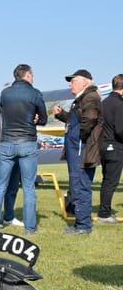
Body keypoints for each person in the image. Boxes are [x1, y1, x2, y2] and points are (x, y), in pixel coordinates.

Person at [0, 64, 47, 234]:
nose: (33, 78)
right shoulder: (35, 93)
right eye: (32, 75)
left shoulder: (5, 94)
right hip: (27, 142)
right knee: (28, 188)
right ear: (27, 75)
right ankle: (30, 228)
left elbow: (5, 113)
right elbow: (43, 119)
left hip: (6, 143)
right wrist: (35, 119)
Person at [53, 69, 104, 235]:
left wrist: (79, 137)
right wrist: (61, 115)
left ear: (85, 82)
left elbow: (89, 119)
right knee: (77, 185)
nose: (70, 84)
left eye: (73, 81)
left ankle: (83, 226)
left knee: (81, 186)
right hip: (76, 149)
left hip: (82, 149)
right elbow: (76, 120)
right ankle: (80, 223)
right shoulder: (82, 98)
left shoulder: (90, 97)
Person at [97, 74, 123, 223]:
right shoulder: (119, 104)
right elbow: (120, 130)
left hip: (104, 145)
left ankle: (104, 211)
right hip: (116, 146)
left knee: (106, 180)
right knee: (111, 182)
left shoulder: (104, 102)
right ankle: (104, 214)